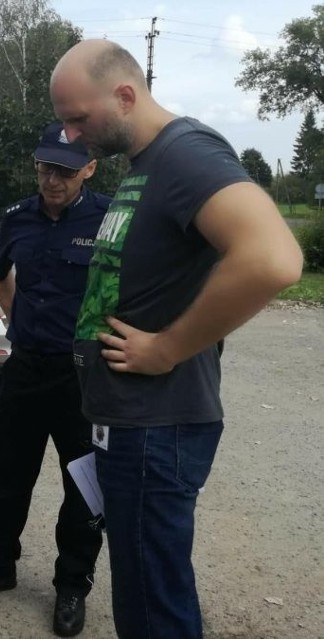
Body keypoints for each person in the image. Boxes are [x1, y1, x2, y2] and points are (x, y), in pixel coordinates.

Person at [49, 40, 304, 639]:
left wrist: (168, 347)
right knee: (142, 593)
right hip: (131, 425)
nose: (69, 135)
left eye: (77, 118)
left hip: (155, 426)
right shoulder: (146, 167)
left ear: (126, 95)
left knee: (153, 606)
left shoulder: (185, 154)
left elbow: (273, 258)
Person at [0, 122, 109, 637]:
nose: (52, 178)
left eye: (64, 169)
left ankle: (72, 583)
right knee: (8, 474)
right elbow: (0, 274)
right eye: (45, 166)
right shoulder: (17, 217)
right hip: (26, 368)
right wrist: (17, 322)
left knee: (83, 484)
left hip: (82, 375)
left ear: (89, 168)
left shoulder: (108, 219)